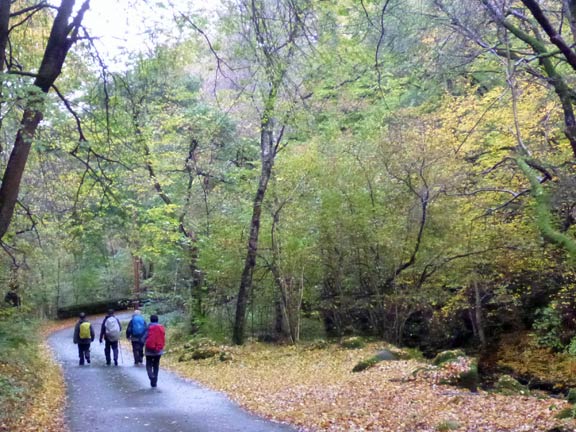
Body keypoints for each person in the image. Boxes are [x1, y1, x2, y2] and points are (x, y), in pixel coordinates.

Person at [144, 314, 165, 387]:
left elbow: (144, 336)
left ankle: (151, 376)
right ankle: (154, 381)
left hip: (149, 349)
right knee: (156, 365)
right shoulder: (161, 327)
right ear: (157, 320)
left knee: (148, 364)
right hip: (158, 349)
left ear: (150, 320)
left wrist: (142, 342)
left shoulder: (148, 327)